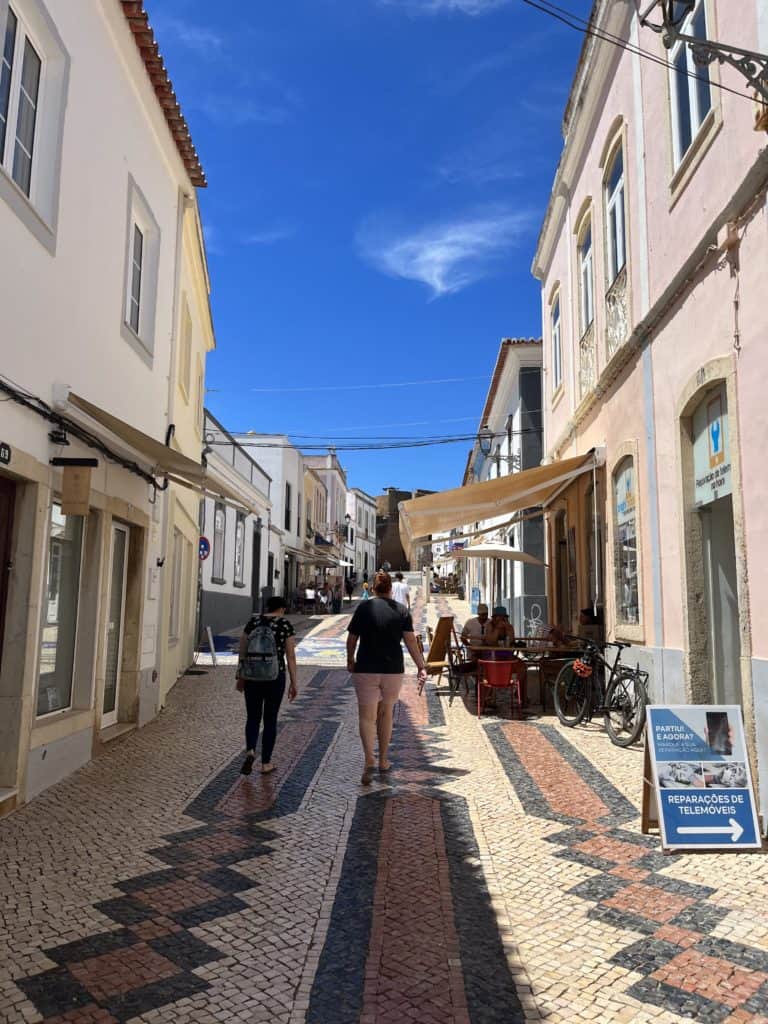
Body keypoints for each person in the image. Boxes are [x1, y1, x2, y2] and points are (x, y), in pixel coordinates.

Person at [346, 571, 428, 784]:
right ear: (391, 589)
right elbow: (410, 642)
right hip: (393, 669)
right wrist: (421, 666)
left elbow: (352, 639)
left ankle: (369, 759)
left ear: (373, 588)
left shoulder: (363, 608)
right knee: (386, 714)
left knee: (366, 717)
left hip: (366, 668)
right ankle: (383, 760)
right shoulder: (402, 610)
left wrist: (350, 660)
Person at [236, 596, 298, 776]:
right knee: (270, 719)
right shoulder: (284, 625)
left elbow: (242, 650)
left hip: (252, 677)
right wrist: (294, 682)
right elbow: (291, 657)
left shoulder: (253, 622)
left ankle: (250, 751)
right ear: (282, 609)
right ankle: (266, 763)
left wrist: (240, 675)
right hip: (274, 676)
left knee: (253, 716)